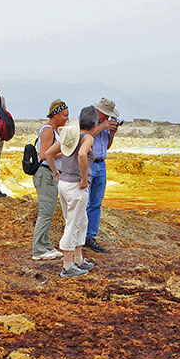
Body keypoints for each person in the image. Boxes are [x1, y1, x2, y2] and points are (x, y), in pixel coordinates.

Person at [43, 106, 104, 277]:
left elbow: (48, 154)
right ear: (94, 124)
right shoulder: (88, 138)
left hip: (64, 183)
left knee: (80, 221)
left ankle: (78, 259)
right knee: (72, 224)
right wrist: (84, 178)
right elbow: (83, 155)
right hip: (77, 186)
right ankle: (67, 266)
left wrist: (57, 174)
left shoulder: (70, 136)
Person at [30, 100, 69, 260]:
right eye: (65, 115)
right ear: (56, 114)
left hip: (50, 173)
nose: (67, 118)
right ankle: (38, 250)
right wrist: (65, 152)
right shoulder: (48, 131)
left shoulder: (53, 131)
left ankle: (46, 245)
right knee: (45, 213)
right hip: (45, 173)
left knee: (49, 211)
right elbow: (45, 155)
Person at [83, 97, 121, 253]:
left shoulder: (106, 125)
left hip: (101, 164)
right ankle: (80, 235)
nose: (106, 117)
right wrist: (102, 126)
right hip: (89, 164)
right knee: (84, 201)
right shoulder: (87, 120)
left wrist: (111, 134)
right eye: (105, 114)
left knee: (96, 203)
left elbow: (107, 146)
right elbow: (85, 137)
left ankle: (90, 236)